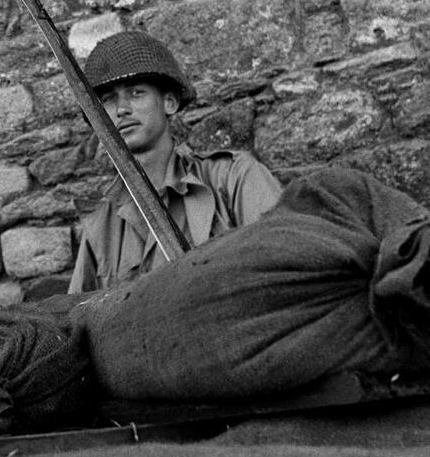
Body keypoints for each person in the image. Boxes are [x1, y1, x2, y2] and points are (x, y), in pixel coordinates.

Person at [68, 30, 282, 293]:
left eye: (136, 93)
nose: (122, 109)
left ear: (169, 102)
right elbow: (74, 320)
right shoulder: (102, 225)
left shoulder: (233, 178)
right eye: (108, 100)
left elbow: (288, 266)